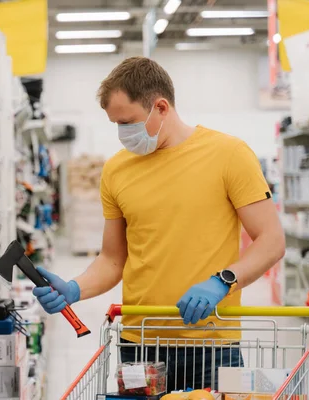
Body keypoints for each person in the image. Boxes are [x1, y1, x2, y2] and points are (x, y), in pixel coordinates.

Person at [33, 57, 285, 391]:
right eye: (116, 124)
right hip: (140, 346)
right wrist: (74, 289)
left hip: (212, 346)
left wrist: (224, 281)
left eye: (129, 122)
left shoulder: (229, 155)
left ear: (161, 107)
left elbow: (271, 241)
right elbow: (112, 259)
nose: (123, 134)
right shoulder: (116, 170)